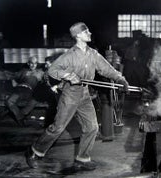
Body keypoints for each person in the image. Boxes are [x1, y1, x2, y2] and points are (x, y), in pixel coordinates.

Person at [25, 22, 129, 171]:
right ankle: (35, 152)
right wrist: (67, 75)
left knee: (92, 127)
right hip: (70, 94)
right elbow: (52, 70)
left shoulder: (93, 54)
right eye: (86, 31)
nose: (90, 33)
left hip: (85, 94)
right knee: (58, 127)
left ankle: (82, 158)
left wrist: (120, 79)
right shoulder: (69, 56)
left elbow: (106, 69)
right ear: (78, 35)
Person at [5, 56, 44, 126]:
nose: (33, 65)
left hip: (31, 92)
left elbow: (46, 81)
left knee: (35, 101)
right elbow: (13, 77)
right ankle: (20, 118)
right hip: (20, 90)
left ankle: (19, 115)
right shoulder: (23, 71)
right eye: (31, 63)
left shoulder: (40, 72)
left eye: (35, 63)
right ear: (28, 63)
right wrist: (14, 82)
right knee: (9, 101)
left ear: (37, 64)